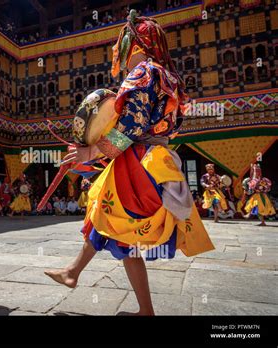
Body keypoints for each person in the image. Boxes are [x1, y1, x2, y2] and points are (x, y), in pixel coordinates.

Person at [44, 10, 214, 315]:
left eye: (121, 44)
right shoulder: (168, 77)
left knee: (108, 218)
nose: (117, 53)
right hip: (158, 161)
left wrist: (91, 151)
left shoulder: (143, 74)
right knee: (120, 231)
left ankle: (74, 273)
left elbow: (131, 126)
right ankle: (135, 305)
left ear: (134, 45)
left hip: (136, 162)